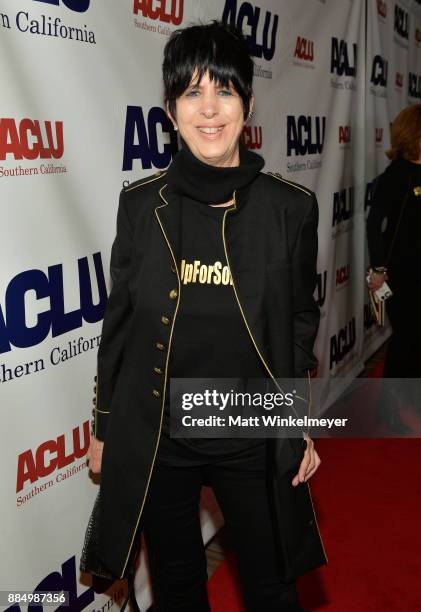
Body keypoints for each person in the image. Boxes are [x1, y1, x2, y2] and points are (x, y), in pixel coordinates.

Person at [82, 21, 327, 612]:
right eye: (193, 93)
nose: (210, 110)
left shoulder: (289, 209)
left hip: (250, 429)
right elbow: (119, 326)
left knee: (271, 588)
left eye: (225, 90)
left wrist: (295, 420)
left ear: (247, 101)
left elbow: (298, 324)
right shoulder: (141, 207)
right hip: (164, 434)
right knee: (178, 584)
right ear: (170, 111)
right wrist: (104, 426)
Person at [367, 103, 421, 434]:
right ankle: (387, 409)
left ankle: (411, 400)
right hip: (402, 272)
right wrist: (378, 268)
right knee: (404, 341)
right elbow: (375, 224)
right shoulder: (396, 175)